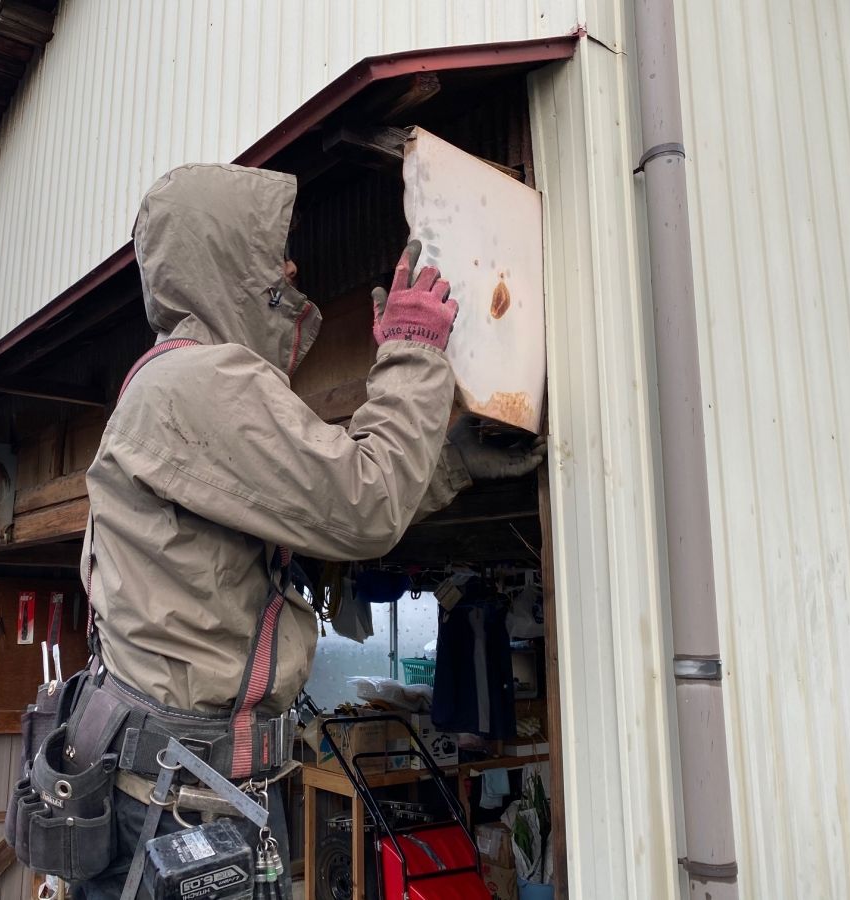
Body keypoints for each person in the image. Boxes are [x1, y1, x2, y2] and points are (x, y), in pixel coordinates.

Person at [68, 163, 536, 898]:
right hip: (186, 799)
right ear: (225, 260)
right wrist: (414, 351)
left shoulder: (179, 383)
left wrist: (447, 465)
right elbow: (361, 507)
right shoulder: (198, 384)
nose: (291, 266)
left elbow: (322, 504)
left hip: (184, 786)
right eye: (270, 250)